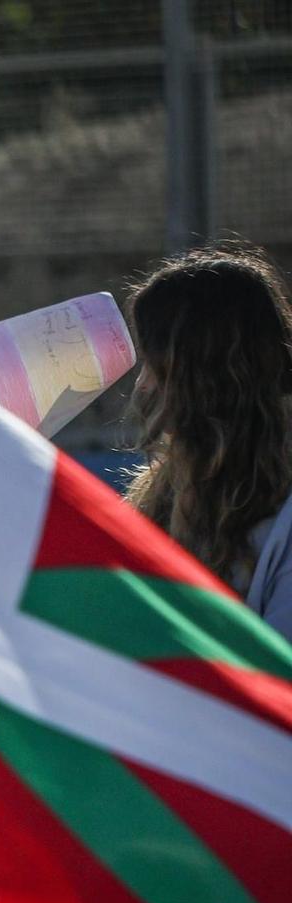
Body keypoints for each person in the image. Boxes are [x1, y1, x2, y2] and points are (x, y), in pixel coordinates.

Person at [126, 241, 292, 640]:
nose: (143, 383)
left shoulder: (282, 517)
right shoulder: (169, 488)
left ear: (204, 378)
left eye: (154, 364)